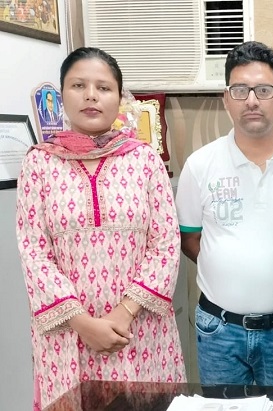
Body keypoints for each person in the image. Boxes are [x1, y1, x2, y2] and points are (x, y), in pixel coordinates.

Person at [16, 47, 186, 410]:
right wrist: (83, 323)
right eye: (79, 85)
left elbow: (166, 245)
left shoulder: (144, 160)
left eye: (104, 87)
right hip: (68, 335)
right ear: (63, 95)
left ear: (119, 98)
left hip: (138, 330)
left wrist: (123, 313)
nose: (91, 95)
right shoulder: (39, 163)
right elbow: (34, 252)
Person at [175, 41, 273, 386]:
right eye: (240, 90)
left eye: (263, 90)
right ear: (226, 99)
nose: (251, 100)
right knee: (223, 409)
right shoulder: (200, 164)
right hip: (219, 330)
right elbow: (190, 239)